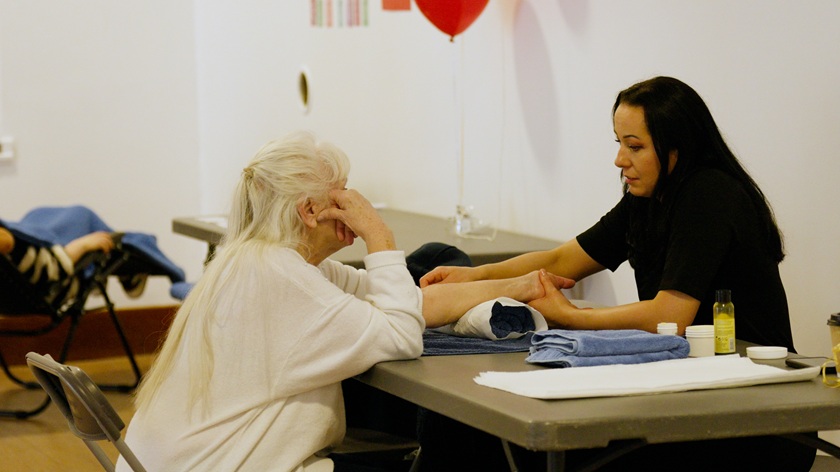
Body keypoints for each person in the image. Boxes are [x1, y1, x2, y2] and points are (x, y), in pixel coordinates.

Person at [420, 76, 815, 471]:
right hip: (694, 389)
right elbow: (561, 261)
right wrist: (473, 275)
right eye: (619, 143)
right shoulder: (647, 198)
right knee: (464, 427)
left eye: (635, 146)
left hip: (759, 416)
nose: (620, 160)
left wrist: (573, 317)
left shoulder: (710, 195)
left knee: (527, 448)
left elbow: (669, 317)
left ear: (677, 148)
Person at [118, 131, 573, 472]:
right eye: (343, 192)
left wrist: (519, 286)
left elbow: (410, 303)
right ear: (310, 211)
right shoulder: (280, 277)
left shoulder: (270, 261)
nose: (355, 202)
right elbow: (401, 334)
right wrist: (380, 236)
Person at [0, 225, 115, 306]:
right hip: (51, 278)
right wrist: (79, 247)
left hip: (41, 255)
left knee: (40, 214)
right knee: (81, 214)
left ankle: (129, 265)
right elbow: (8, 242)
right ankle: (129, 258)